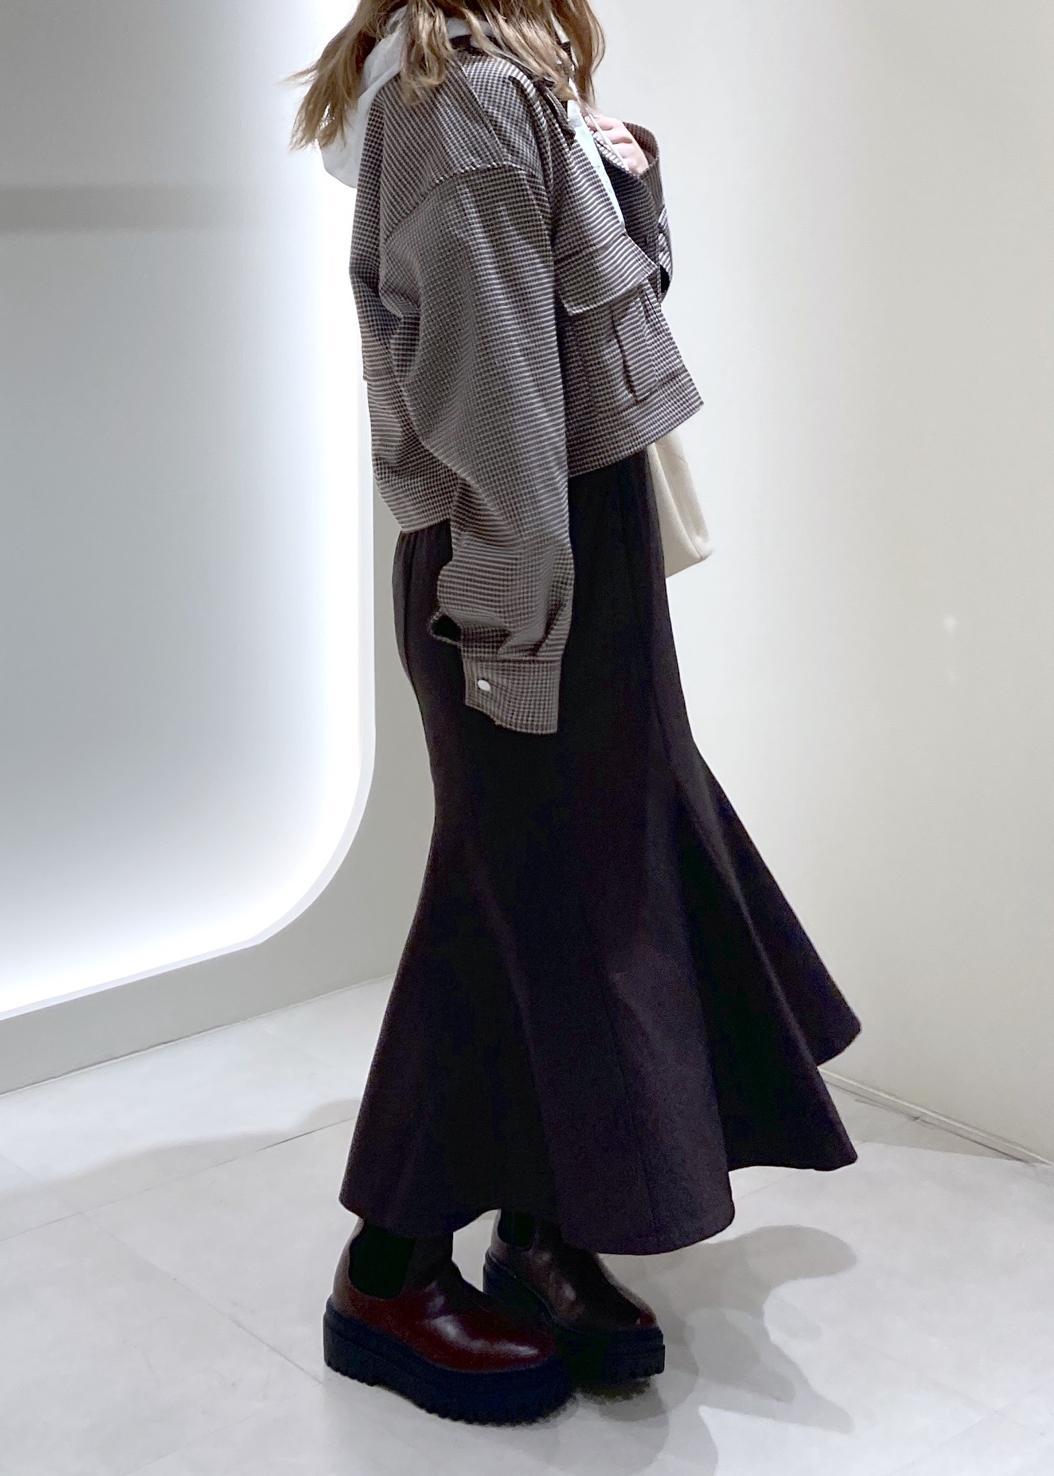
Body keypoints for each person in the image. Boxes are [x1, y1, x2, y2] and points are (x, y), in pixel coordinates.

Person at [287, 0, 862, 1426]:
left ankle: (544, 1227)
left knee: (585, 891)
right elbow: (488, 398)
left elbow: (598, 327)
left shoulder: (507, 85)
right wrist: (515, 623)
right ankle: (387, 1271)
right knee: (522, 903)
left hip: (569, 539)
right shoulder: (462, 100)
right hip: (524, 556)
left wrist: (631, 183)